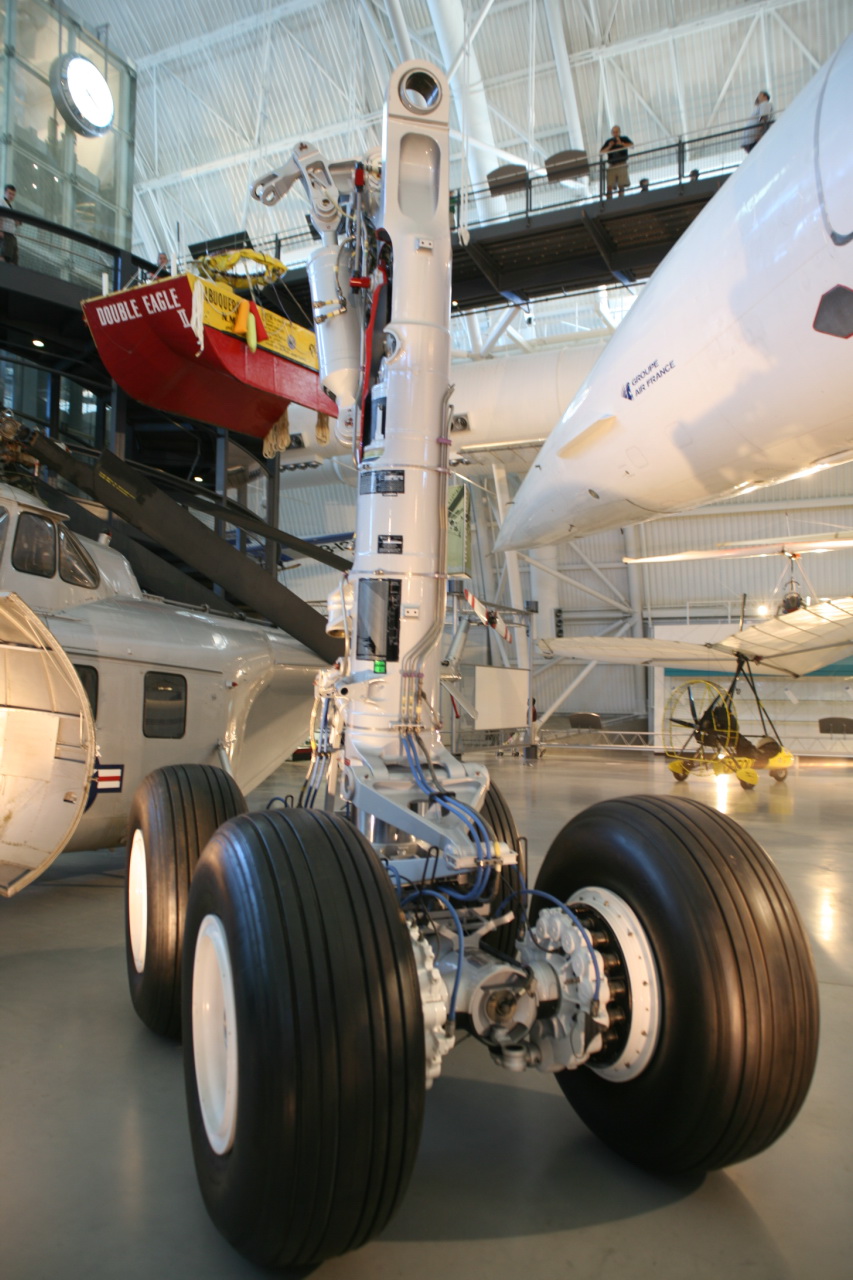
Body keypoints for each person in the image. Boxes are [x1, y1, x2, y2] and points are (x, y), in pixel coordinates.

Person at [600, 125, 634, 198]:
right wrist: (609, 146)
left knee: (621, 184)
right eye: (614, 132)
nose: (615, 133)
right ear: (612, 133)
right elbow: (601, 152)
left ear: (619, 132)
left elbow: (632, 146)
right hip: (612, 165)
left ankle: (621, 198)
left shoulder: (624, 139)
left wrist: (621, 143)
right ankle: (609, 199)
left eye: (617, 131)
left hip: (621, 163)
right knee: (610, 184)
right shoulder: (609, 141)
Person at [1, 184, 21, 264]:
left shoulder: (9, 206)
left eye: (13, 194)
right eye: (10, 193)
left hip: (10, 234)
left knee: (12, 258)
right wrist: (0, 231)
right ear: (5, 192)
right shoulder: (2, 202)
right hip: (5, 233)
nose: (11, 196)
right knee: (4, 255)